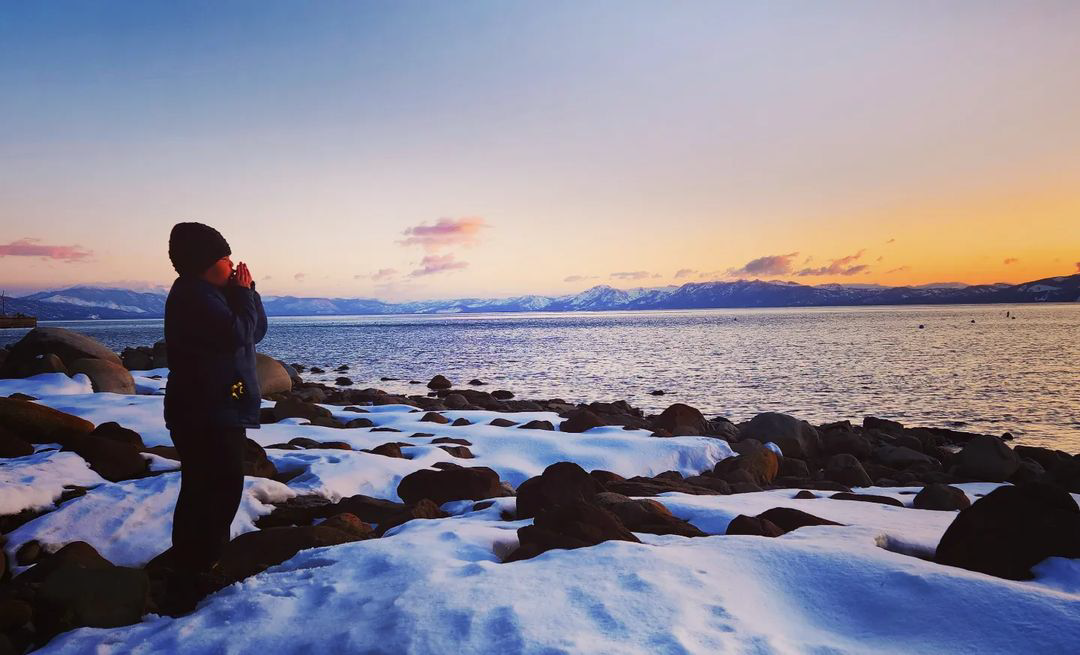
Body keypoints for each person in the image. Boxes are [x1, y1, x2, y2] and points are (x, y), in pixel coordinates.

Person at [162, 221, 267, 612]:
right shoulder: (193, 296)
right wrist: (242, 294)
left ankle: (196, 567)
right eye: (226, 258)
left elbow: (254, 333)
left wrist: (247, 293)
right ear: (209, 262)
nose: (233, 264)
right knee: (212, 491)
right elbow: (235, 334)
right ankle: (194, 573)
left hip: (220, 406)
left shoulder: (214, 295)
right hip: (205, 410)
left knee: (212, 489)